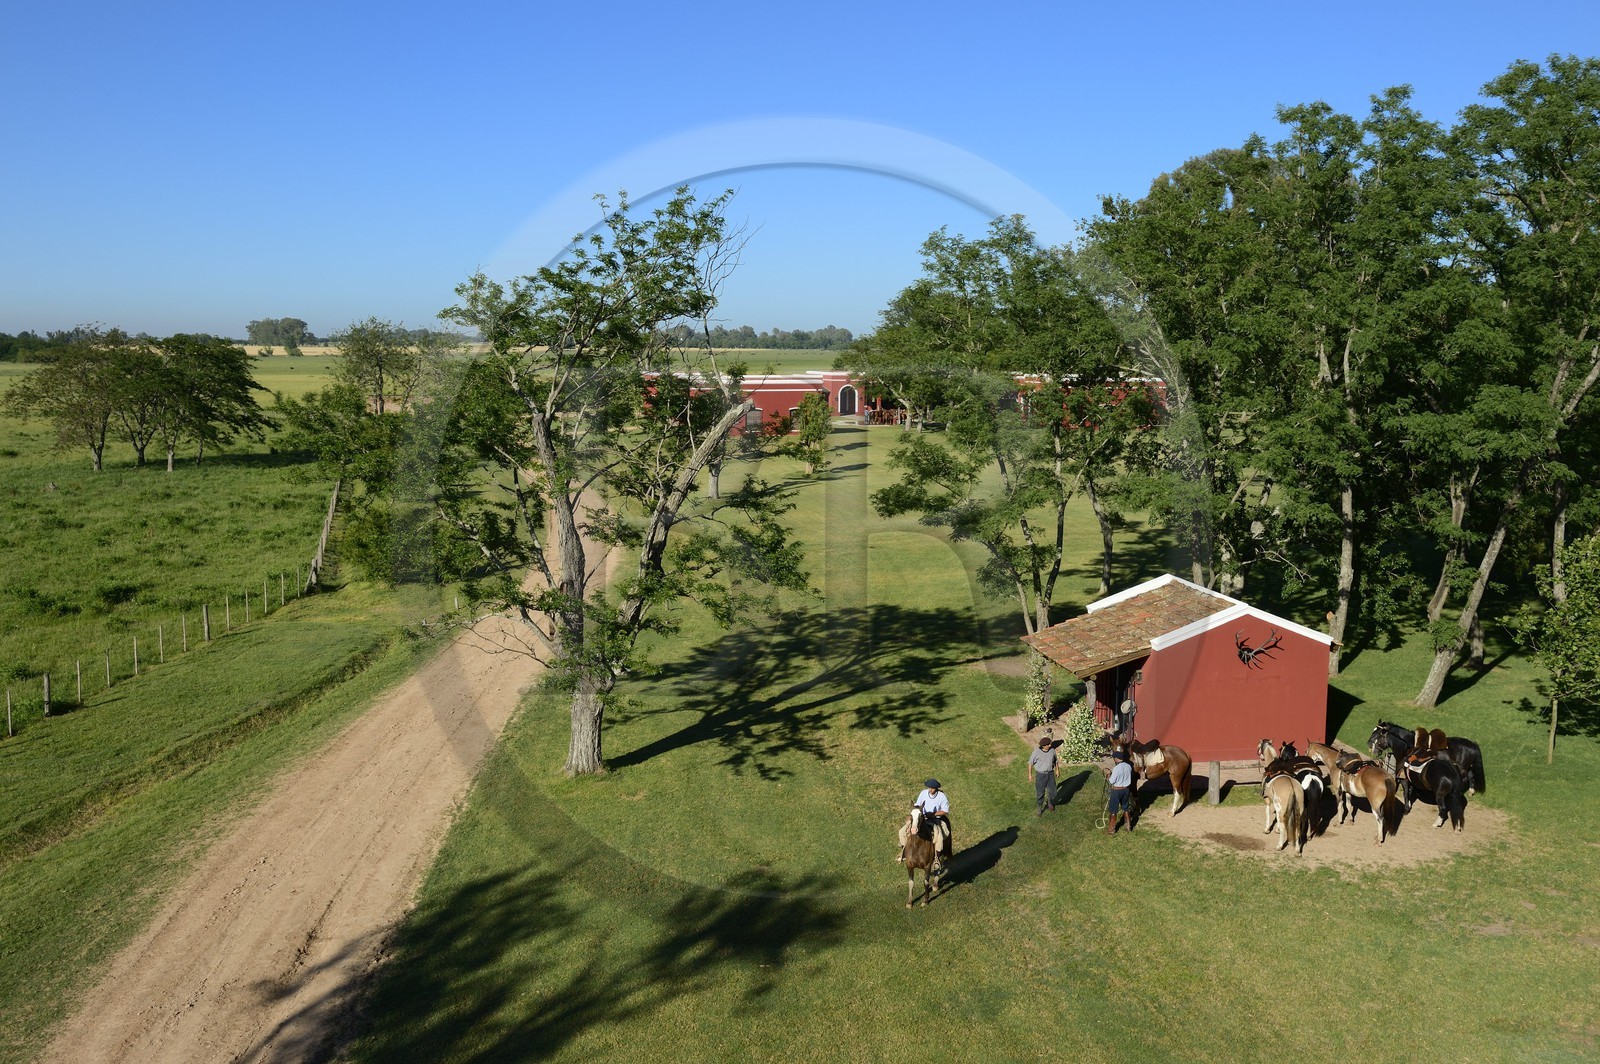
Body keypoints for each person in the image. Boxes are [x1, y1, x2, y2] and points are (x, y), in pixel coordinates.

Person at [897, 778, 950, 865]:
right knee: (902, 831)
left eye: (932, 788)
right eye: (929, 788)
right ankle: (905, 852)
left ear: (936, 788)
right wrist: (913, 814)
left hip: (935, 819)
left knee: (939, 837)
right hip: (921, 818)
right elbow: (917, 805)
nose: (930, 790)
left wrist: (933, 814)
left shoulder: (941, 796)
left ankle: (936, 859)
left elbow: (945, 811)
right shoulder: (923, 793)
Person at [1028, 736, 1058, 816]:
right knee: (1040, 793)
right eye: (1048, 744)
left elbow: (1056, 761)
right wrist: (1030, 775)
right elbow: (1030, 763)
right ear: (1043, 746)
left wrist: (1057, 770)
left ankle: (1049, 802)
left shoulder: (1052, 751)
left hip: (1050, 774)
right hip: (1040, 775)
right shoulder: (1036, 752)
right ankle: (1039, 807)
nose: (1050, 746)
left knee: (1053, 791)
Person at [1106, 750, 1134, 835]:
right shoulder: (1129, 766)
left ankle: (1111, 829)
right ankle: (1128, 826)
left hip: (1116, 791)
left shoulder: (1116, 768)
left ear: (1117, 759)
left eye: (1114, 758)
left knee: (1113, 810)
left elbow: (1111, 781)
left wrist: (1108, 776)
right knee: (1125, 807)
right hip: (1126, 789)